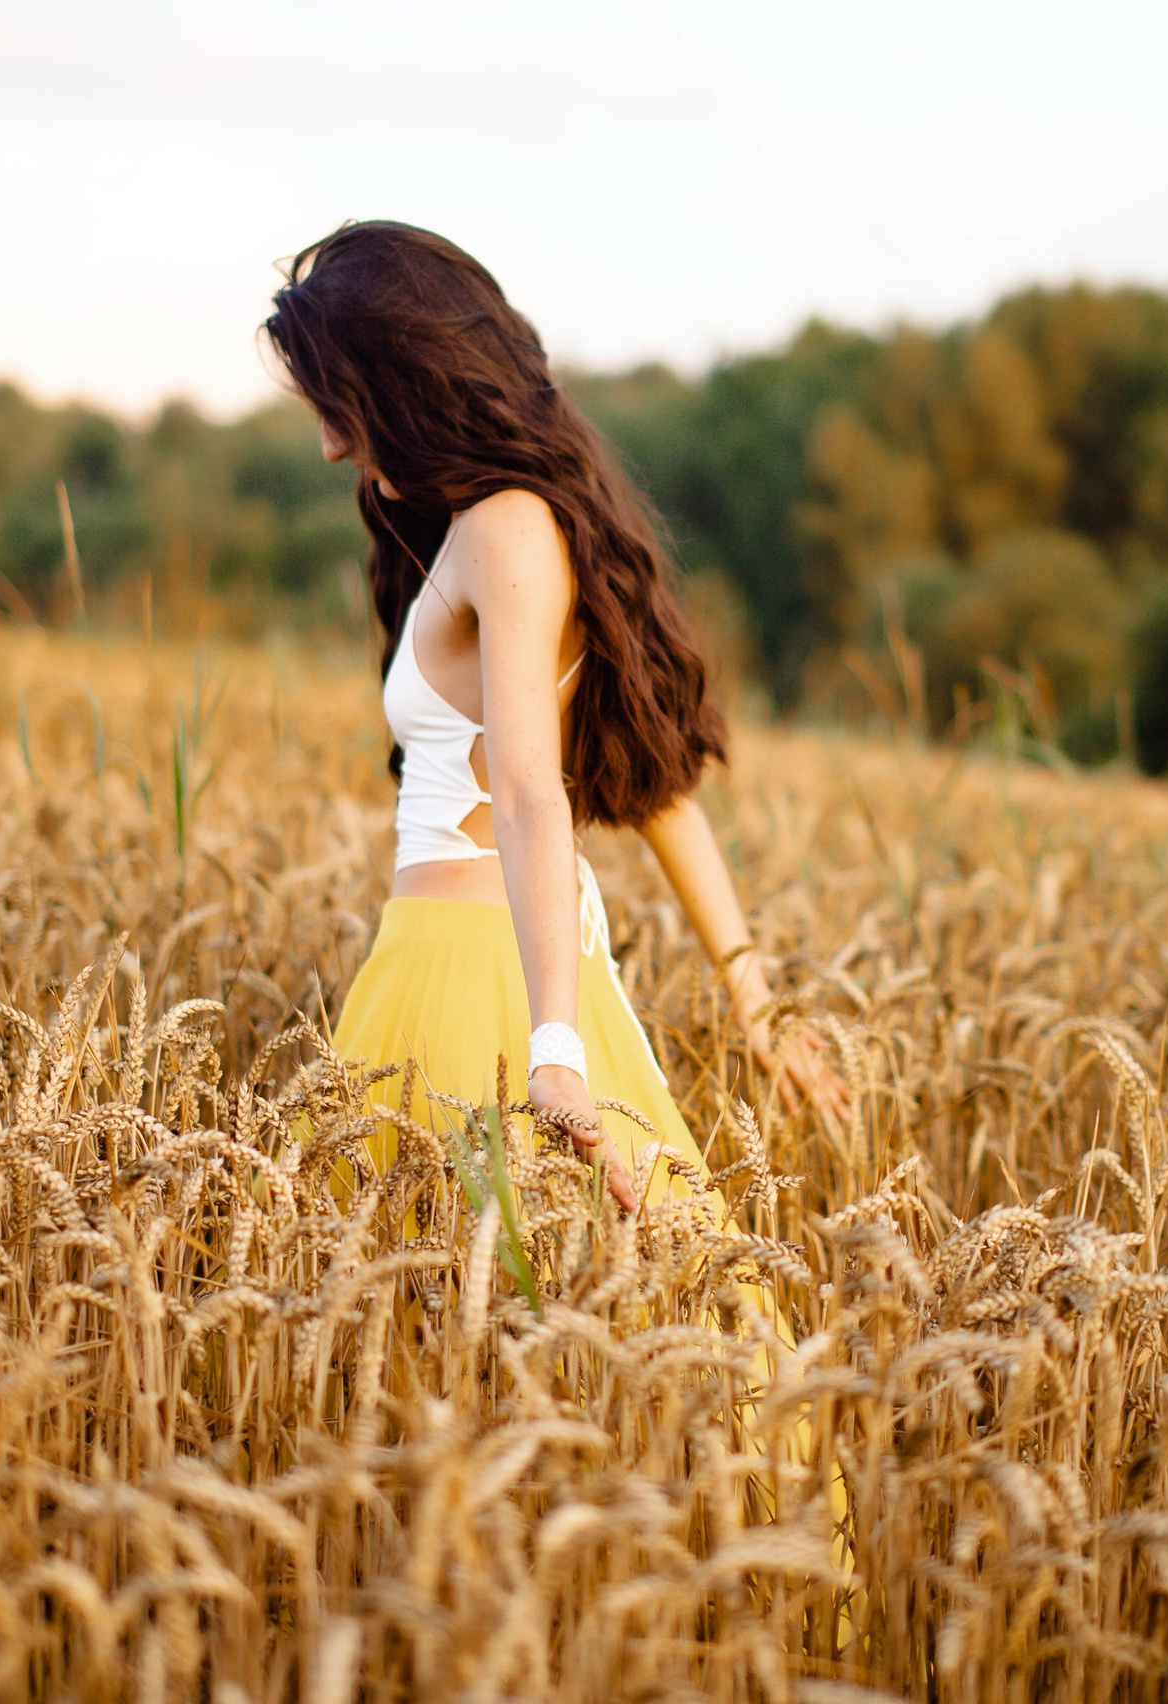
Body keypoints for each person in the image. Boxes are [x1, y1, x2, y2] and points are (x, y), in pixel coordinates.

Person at [262, 220, 848, 1211]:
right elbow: (658, 788)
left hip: (473, 980)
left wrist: (554, 1053)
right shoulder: (489, 526)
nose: (327, 445)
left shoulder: (504, 530)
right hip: (464, 960)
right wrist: (753, 997)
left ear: (407, 385)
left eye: (339, 404)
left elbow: (536, 792)